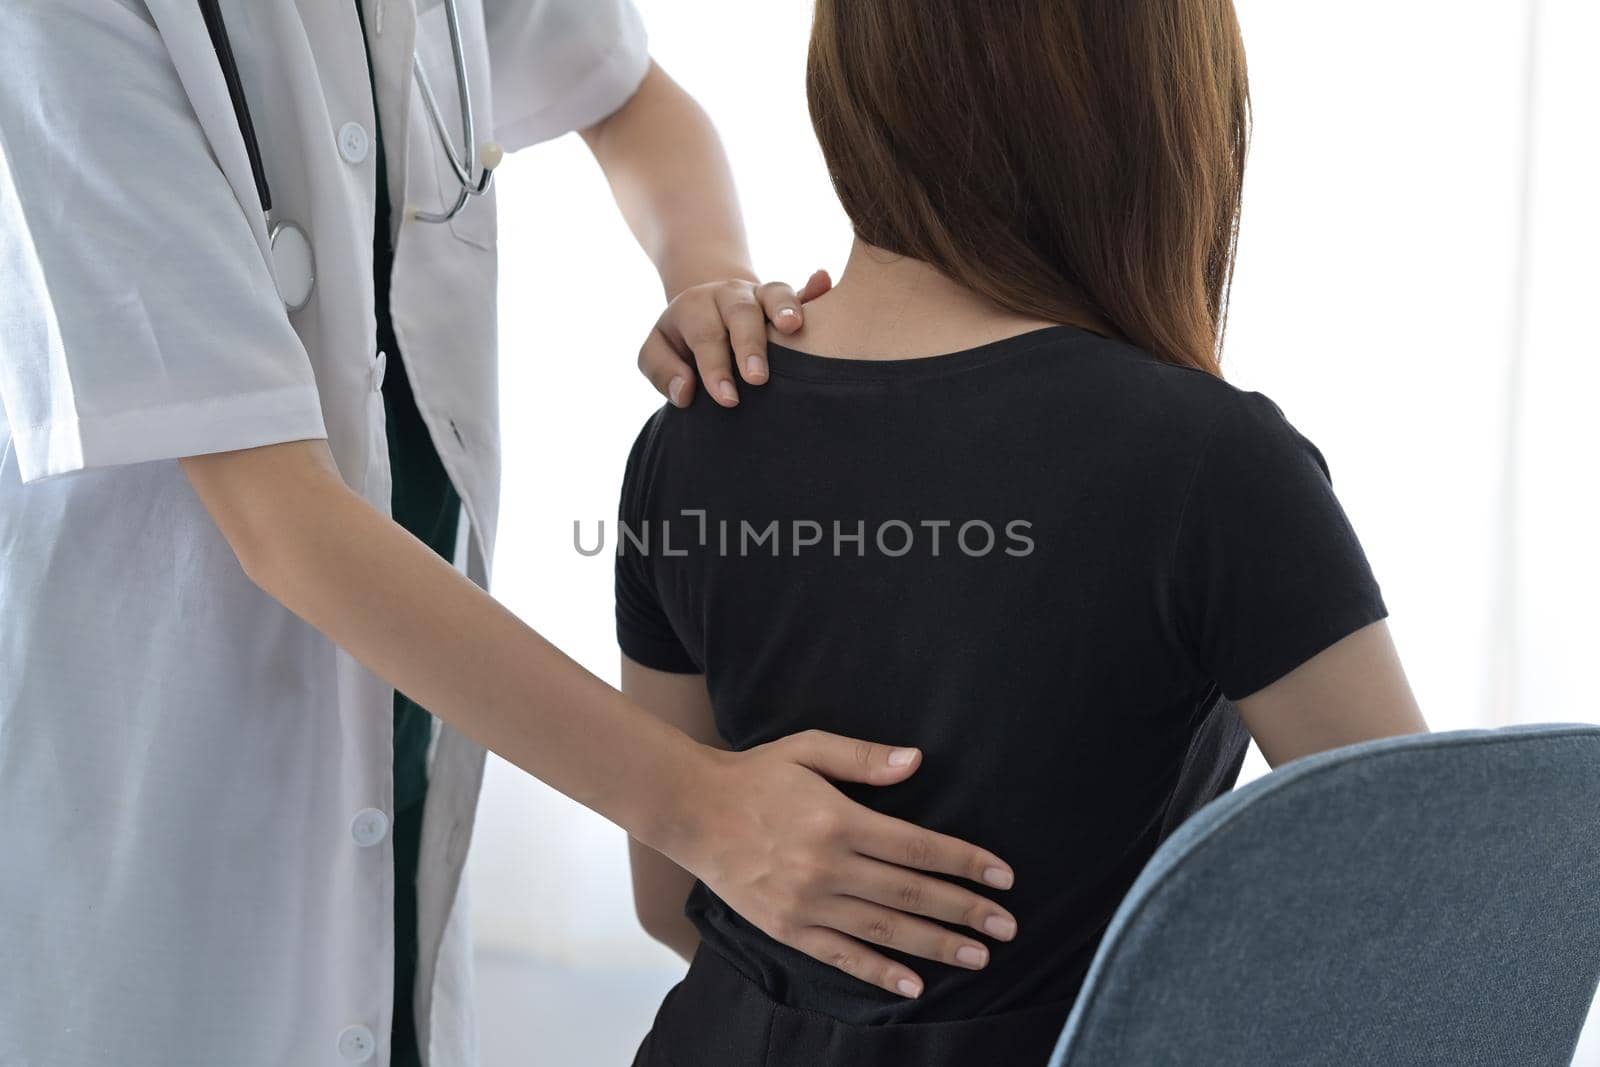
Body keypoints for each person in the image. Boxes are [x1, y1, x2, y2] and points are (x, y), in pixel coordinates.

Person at [0, 3, 1021, 1066]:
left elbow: (630, 95)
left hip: (407, 745)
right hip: (152, 800)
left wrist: (709, 281)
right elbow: (279, 516)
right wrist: (701, 807)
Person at [615, 1, 1431, 1064]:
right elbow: (1420, 914)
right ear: (1158, 105)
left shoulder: (693, 430)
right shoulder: (1206, 461)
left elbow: (670, 894)